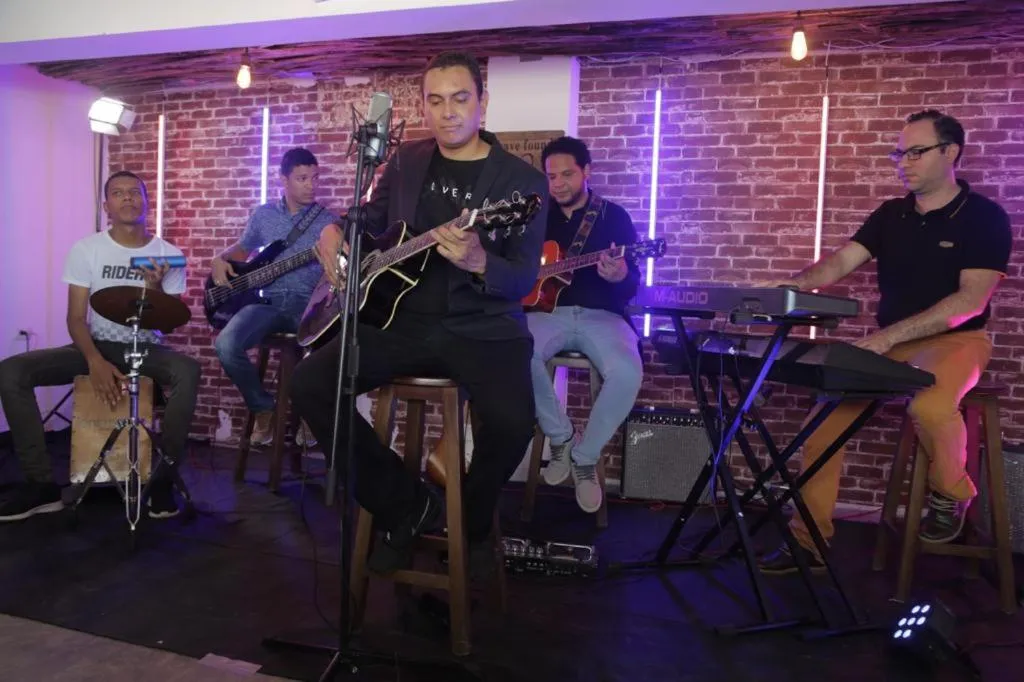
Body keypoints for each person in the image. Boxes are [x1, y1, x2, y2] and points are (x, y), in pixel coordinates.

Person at [291, 51, 547, 573]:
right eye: (435, 100)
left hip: (483, 328)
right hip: (399, 322)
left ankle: (468, 523)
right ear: (423, 106)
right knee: (311, 383)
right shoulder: (406, 161)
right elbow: (367, 219)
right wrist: (333, 230)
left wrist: (479, 261)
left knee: (514, 425)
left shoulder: (521, 183)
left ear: (482, 103)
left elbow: (523, 277)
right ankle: (406, 505)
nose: (448, 112)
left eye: (460, 99)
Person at [755, 110, 1012, 574]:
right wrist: (787, 289)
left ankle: (953, 493)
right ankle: (808, 541)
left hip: (958, 341)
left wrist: (888, 336)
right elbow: (837, 265)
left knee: (930, 407)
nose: (903, 163)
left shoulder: (985, 217)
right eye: (900, 153)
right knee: (824, 420)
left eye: (916, 152)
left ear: (950, 152)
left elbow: (970, 301)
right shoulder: (890, 215)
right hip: (890, 343)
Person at [0, 171, 201, 522]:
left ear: (146, 201)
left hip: (143, 349)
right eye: (118, 193)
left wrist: (152, 287)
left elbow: (168, 323)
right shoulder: (87, 249)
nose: (127, 198)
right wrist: (94, 360)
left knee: (188, 369)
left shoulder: (167, 253)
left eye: (134, 192)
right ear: (106, 205)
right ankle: (41, 485)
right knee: (11, 371)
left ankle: (162, 482)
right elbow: (75, 318)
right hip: (93, 345)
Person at [528, 136, 643, 513]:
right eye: (551, 176)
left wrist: (619, 275)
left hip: (604, 315)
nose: (558, 183)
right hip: (548, 314)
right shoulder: (535, 217)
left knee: (626, 371)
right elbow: (517, 270)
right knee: (514, 350)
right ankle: (560, 436)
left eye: (567, 174)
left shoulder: (615, 217)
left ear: (586, 172)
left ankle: (584, 457)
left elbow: (632, 285)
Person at [211, 148, 338, 445]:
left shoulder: (328, 221)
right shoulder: (264, 215)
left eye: (315, 178)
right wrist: (220, 258)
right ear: (284, 180)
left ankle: (311, 416)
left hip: (311, 306)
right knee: (226, 345)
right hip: (269, 303)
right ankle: (263, 407)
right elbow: (241, 250)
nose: (311, 184)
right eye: (302, 178)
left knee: (327, 351)